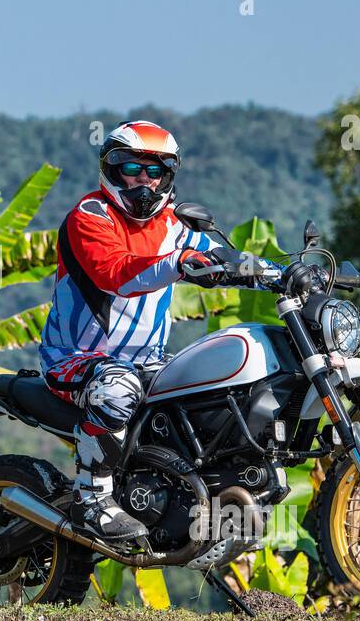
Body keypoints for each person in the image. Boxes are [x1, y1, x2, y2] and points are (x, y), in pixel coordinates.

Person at [38, 120, 229, 543]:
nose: (144, 180)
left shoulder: (176, 226)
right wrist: (179, 263)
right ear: (111, 168)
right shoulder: (90, 216)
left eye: (154, 171)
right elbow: (115, 274)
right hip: (75, 360)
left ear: (168, 176)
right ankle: (91, 498)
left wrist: (282, 271)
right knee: (117, 388)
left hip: (148, 361)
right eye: (131, 168)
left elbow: (221, 257)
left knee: (210, 387)